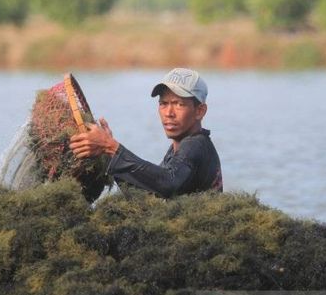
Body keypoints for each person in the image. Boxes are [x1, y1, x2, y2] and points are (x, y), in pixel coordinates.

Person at [69, 68, 222, 198]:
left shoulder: (195, 144)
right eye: (163, 104)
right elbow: (150, 193)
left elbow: (168, 183)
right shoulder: (176, 150)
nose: (169, 113)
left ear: (200, 111)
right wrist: (107, 153)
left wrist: (111, 147)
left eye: (179, 104)